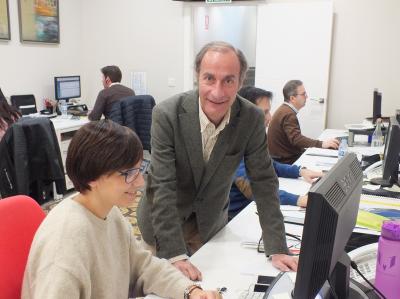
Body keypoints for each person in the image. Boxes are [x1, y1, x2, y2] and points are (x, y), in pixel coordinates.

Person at [137, 41, 298, 281]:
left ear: (241, 82)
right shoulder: (167, 114)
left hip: (210, 224)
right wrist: (173, 254)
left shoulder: (251, 118)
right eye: (209, 78)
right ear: (197, 77)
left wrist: (276, 246)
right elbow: (163, 186)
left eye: (229, 80)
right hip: (163, 225)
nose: (218, 91)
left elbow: (263, 182)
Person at [22, 120, 219, 299]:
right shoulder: (65, 243)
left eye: (140, 169)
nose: (141, 182)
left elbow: (143, 266)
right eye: (129, 174)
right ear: (93, 176)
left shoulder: (109, 211)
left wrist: (189, 291)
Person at [229, 86, 323, 219]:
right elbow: (255, 189)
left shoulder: (250, 138)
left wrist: (300, 171)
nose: (270, 117)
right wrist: (298, 200)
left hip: (252, 209)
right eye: (265, 112)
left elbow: (269, 164)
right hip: (235, 219)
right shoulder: (231, 146)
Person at [267, 80, 339, 164]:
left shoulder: (284, 110)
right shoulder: (288, 114)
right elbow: (297, 140)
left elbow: (295, 140)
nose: (307, 96)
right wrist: (321, 144)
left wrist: (320, 144)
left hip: (284, 156)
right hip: (286, 160)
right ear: (292, 98)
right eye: (303, 94)